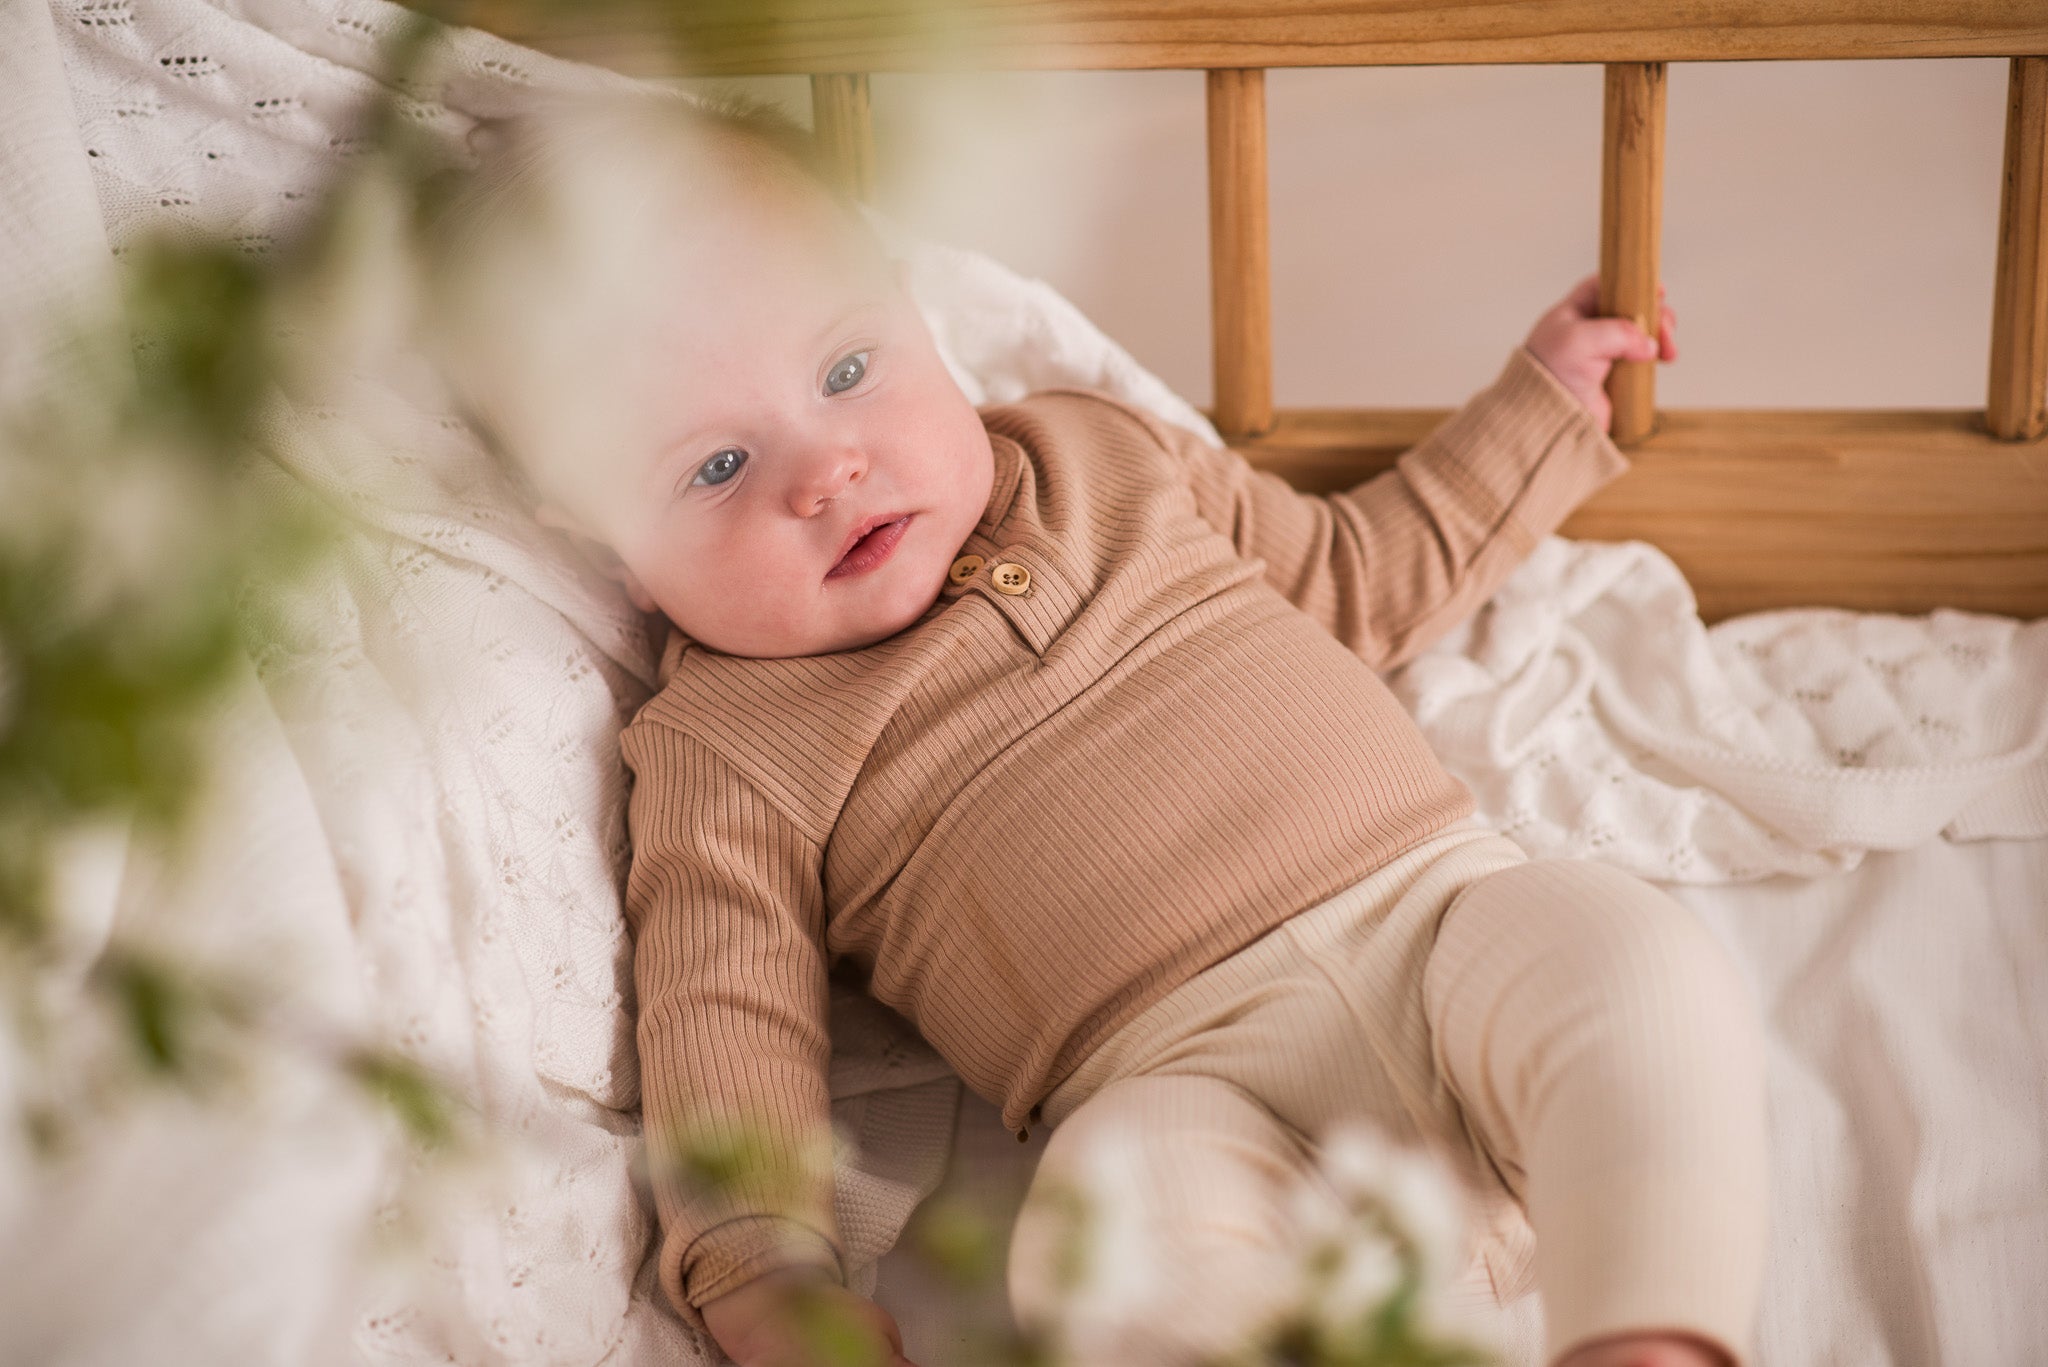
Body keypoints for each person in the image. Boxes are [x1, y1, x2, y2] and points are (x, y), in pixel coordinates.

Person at [424, 89, 1768, 1367]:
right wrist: (766, 1275)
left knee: (1622, 948)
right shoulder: (725, 744)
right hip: (1175, 1087)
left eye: (847, 366)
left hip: (1446, 938)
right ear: (600, 535)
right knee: (1097, 1240)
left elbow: (1353, 580)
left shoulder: (1098, 454)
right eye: (716, 466)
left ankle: (1644, 1327)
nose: (827, 469)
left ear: (914, 313)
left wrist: (1535, 414)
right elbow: (729, 1022)